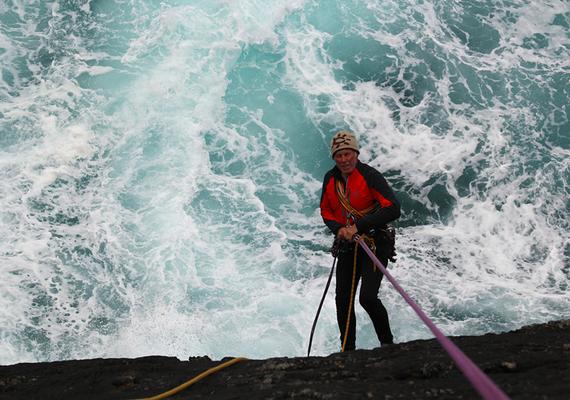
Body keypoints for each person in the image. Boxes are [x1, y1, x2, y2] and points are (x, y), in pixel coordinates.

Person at [319, 130, 401, 351]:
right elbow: (326, 210)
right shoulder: (331, 178)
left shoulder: (370, 176)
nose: (344, 159)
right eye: (339, 155)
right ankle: (348, 350)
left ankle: (387, 344)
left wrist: (358, 226)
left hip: (374, 242)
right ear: (334, 157)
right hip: (348, 245)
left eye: (348, 154)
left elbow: (393, 208)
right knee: (343, 300)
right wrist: (338, 229)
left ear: (356, 153)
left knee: (367, 298)